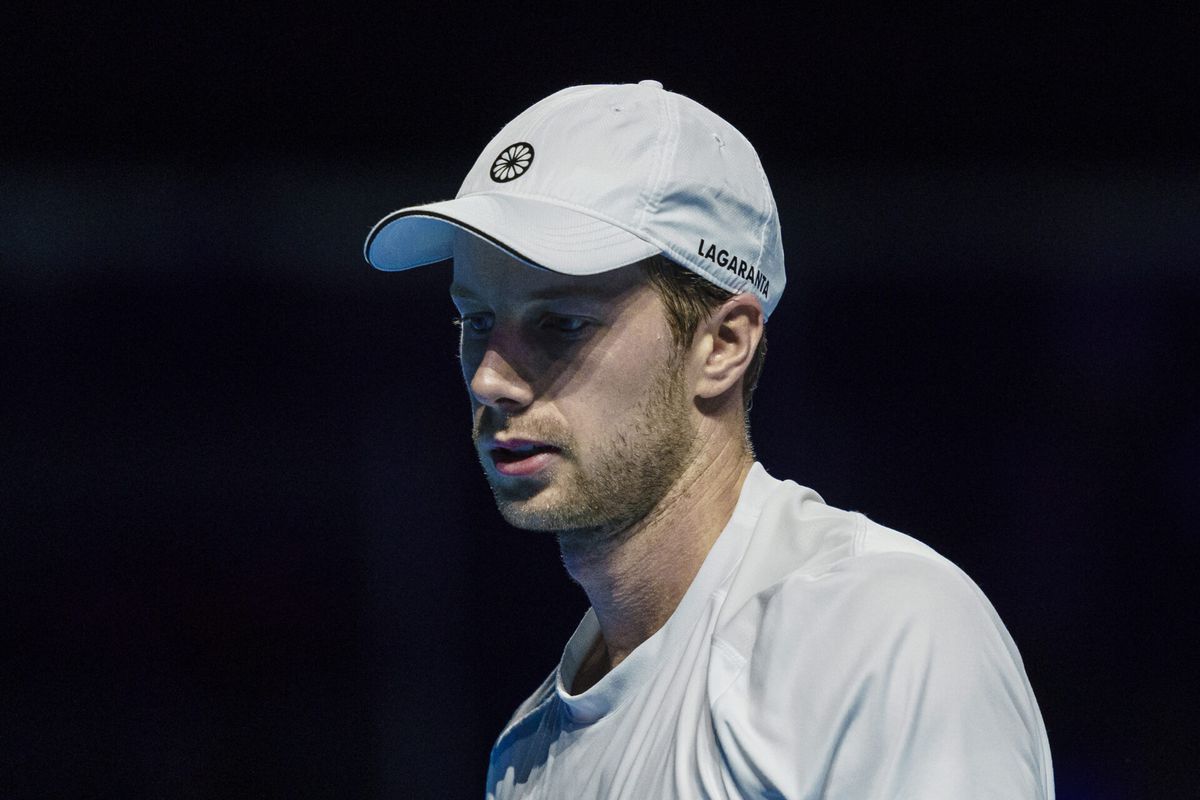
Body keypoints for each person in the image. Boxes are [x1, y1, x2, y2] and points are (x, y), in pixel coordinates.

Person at [363, 81, 1054, 799]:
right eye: (475, 322)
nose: (490, 380)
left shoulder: (880, 633)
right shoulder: (528, 758)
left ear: (723, 344)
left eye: (559, 323)